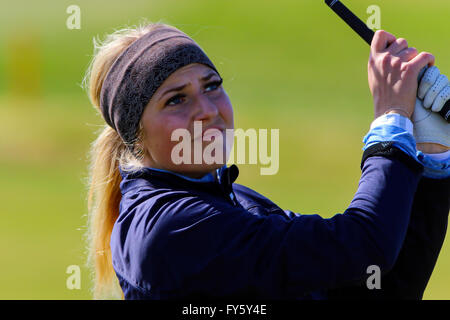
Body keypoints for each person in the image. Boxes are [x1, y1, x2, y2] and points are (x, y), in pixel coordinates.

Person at [83, 22, 450, 300]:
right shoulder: (170, 228)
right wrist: (390, 120)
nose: (207, 111)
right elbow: (363, 244)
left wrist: (431, 153)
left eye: (212, 86)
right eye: (176, 100)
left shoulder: (238, 202)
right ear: (136, 136)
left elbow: (375, 283)